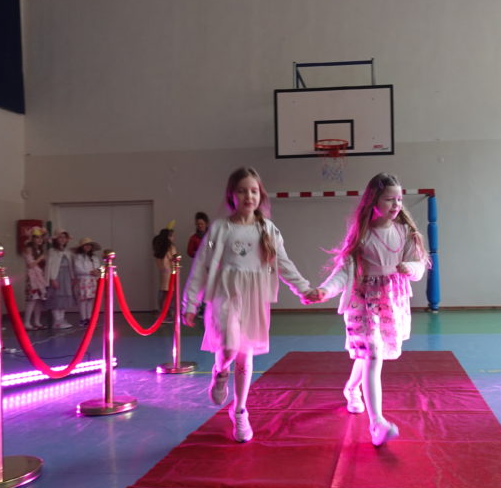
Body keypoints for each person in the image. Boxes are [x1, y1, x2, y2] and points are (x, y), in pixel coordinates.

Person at [182, 167, 318, 443]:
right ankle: (220, 371)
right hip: (225, 295)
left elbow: (284, 264)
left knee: (246, 357)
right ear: (232, 195)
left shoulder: (267, 229)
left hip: (254, 299)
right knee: (230, 347)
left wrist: (304, 288)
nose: (249, 196)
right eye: (242, 191)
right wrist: (190, 302)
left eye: (254, 191)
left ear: (260, 195)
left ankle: (240, 411)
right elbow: (202, 266)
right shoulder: (220, 228)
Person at [309, 173, 429, 447]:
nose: (396, 204)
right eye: (389, 199)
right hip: (362, 302)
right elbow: (344, 271)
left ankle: (352, 388)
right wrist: (324, 291)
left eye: (399, 199)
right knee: (373, 354)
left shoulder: (405, 232)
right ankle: (377, 423)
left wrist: (410, 268)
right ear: (373, 201)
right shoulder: (362, 235)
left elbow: (419, 266)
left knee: (371, 354)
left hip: (390, 302)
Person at [45, 231, 75, 329]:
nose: (62, 239)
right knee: (56, 298)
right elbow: (49, 266)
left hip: (66, 276)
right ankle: (57, 320)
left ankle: (61, 319)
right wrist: (52, 278)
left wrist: (72, 277)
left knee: (64, 299)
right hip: (57, 276)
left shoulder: (68, 252)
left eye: (64, 237)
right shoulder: (52, 251)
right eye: (60, 237)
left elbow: (71, 266)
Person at [22, 227, 48, 330]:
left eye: (41, 237)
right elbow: (30, 265)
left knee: (39, 300)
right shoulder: (28, 249)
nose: (39, 239)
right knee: (32, 300)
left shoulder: (39, 249)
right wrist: (41, 258)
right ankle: (26, 322)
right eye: (37, 237)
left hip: (40, 277)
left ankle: (37, 322)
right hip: (32, 277)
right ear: (32, 238)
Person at [72, 237, 103, 325]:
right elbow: (77, 269)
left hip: (92, 280)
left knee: (90, 299)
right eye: (86, 245)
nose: (88, 247)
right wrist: (89, 272)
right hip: (82, 280)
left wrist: (97, 271)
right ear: (82, 247)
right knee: (83, 300)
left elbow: (98, 266)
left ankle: (89, 317)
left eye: (89, 245)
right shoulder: (78, 257)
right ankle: (83, 318)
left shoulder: (94, 257)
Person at [152, 224, 178, 309]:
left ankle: (162, 309)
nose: (173, 238)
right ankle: (170, 311)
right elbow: (174, 258)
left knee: (162, 291)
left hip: (163, 271)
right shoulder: (170, 247)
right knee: (170, 292)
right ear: (168, 237)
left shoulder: (159, 247)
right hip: (170, 271)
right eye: (172, 236)